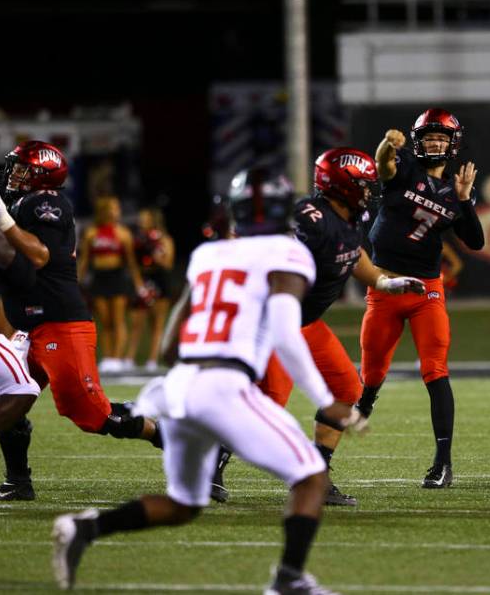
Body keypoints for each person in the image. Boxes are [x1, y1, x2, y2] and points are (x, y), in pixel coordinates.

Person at [52, 167, 357, 595]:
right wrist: (326, 399)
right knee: (310, 478)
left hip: (180, 386)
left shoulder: (209, 255)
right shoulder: (288, 254)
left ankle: (86, 527)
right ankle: (289, 580)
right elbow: (289, 337)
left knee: (183, 504)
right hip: (223, 384)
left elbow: (169, 347)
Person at [212, 148, 425, 507]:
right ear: (342, 186)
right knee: (268, 403)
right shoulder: (309, 221)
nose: (369, 190)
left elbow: (355, 256)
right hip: (274, 321)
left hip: (306, 322)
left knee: (346, 387)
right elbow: (263, 246)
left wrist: (387, 283)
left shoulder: (350, 217)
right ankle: (210, 466)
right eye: (363, 183)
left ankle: (318, 476)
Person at [0, 141, 160, 502]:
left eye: (21, 168)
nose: (12, 174)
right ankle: (17, 481)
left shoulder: (46, 202)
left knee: (92, 414)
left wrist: (1, 220)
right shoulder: (23, 203)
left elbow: (39, 255)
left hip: (59, 323)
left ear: (42, 174)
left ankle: (174, 438)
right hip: (31, 325)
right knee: (6, 396)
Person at [355, 108, 485, 489]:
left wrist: (463, 201)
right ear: (417, 141)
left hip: (427, 290)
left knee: (435, 370)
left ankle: (443, 463)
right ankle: (364, 404)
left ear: (452, 144)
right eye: (429, 137)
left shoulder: (455, 189)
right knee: (372, 371)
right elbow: (382, 166)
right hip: (384, 286)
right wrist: (385, 144)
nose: (435, 143)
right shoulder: (405, 168)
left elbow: (475, 241)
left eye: (441, 138)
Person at [78, 196, 144, 373]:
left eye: (117, 208)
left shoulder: (123, 233)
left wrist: (139, 284)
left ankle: (117, 357)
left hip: (117, 278)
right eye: (114, 208)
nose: (117, 211)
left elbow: (131, 262)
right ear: (104, 210)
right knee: (105, 320)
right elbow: (85, 261)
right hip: (99, 279)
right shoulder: (92, 232)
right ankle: (108, 358)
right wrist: (76, 281)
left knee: (118, 319)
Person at [127, 207, 175, 371]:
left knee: (157, 322)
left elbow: (168, 264)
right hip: (144, 279)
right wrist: (138, 283)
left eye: (145, 218)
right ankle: (129, 359)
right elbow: (132, 263)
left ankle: (153, 360)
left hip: (159, 279)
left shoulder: (164, 239)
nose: (141, 221)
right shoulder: (137, 239)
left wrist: (157, 256)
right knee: (136, 322)